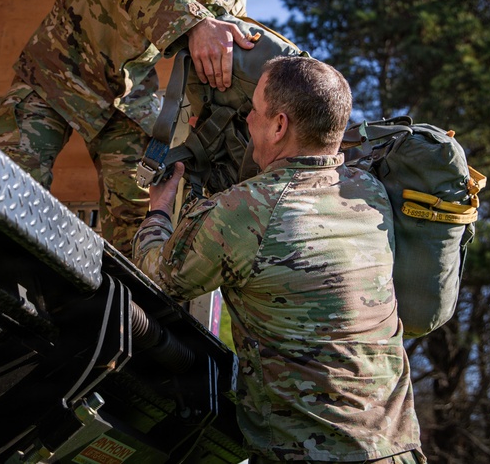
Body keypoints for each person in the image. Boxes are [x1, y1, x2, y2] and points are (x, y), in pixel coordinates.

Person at [133, 56, 425, 463]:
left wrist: (159, 212)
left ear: (279, 125)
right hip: (398, 449)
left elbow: (156, 278)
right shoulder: (369, 190)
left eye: (253, 109)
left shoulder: (249, 210)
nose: (248, 120)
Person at [0, 0, 276, 255]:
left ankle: (120, 311)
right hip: (59, 70)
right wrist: (195, 24)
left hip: (128, 96)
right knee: (4, 189)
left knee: (139, 221)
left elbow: (218, 69)